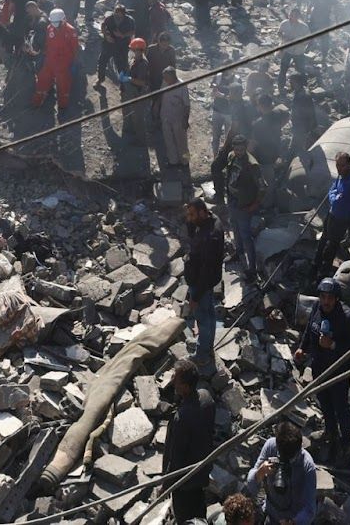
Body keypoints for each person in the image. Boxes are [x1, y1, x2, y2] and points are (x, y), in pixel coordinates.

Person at [294, 278, 350, 464]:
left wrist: (333, 345)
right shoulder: (316, 308)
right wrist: (302, 348)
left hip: (338, 370)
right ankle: (330, 431)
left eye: (330, 298)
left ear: (337, 298)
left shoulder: (347, 317)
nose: (326, 301)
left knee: (340, 407)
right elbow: (309, 330)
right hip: (319, 367)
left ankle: (346, 442)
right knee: (325, 402)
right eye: (323, 297)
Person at [161, 359, 216, 523]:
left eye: (175, 379)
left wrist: (166, 484)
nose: (172, 382)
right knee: (199, 509)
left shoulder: (182, 418)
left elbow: (176, 458)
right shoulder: (207, 398)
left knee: (185, 517)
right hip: (201, 473)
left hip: (184, 481)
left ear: (185, 386)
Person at [244, 421, 317, 525]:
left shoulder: (307, 466)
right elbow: (251, 486)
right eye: (282, 458)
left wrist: (294, 522)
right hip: (270, 511)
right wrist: (260, 472)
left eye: (289, 459)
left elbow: (309, 509)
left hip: (292, 518)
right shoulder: (271, 446)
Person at [184, 199, 224, 368]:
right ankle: (207, 346)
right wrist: (190, 222)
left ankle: (202, 355)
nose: (190, 218)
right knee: (209, 313)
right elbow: (193, 236)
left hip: (202, 281)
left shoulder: (211, 236)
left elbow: (206, 271)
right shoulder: (210, 219)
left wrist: (195, 297)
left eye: (192, 214)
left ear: (202, 212)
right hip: (205, 278)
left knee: (203, 318)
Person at [313, 153, 350, 278]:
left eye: (342, 165)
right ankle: (314, 266)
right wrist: (334, 195)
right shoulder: (340, 177)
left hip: (340, 220)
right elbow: (331, 192)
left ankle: (322, 274)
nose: (339, 168)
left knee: (331, 247)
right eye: (337, 165)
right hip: (332, 215)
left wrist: (334, 196)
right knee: (323, 240)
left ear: (349, 165)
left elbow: (338, 202)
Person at [224, 136, 263, 280]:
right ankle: (238, 253)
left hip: (244, 205)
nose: (238, 152)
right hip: (233, 200)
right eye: (236, 149)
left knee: (246, 235)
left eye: (241, 149)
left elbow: (262, 187)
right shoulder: (231, 156)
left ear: (245, 147)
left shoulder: (252, 165)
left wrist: (254, 204)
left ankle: (252, 268)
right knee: (235, 228)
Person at [33, 8, 78, 114]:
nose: (54, 25)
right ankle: (37, 101)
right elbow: (48, 43)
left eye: (56, 23)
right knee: (42, 80)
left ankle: (63, 105)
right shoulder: (50, 28)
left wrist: (74, 62)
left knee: (63, 84)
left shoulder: (71, 31)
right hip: (50, 60)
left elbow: (75, 48)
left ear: (63, 20)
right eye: (52, 22)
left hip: (63, 63)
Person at [156, 67, 191, 169]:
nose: (165, 80)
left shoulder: (182, 86)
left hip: (178, 119)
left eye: (167, 78)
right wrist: (156, 108)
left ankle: (185, 162)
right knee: (169, 140)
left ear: (173, 77)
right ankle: (173, 161)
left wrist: (185, 120)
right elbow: (160, 95)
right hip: (165, 117)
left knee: (182, 143)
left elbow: (187, 105)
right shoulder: (165, 82)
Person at [96, 4, 134, 86]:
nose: (117, 15)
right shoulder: (109, 18)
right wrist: (106, 36)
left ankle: (122, 85)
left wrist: (123, 35)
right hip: (109, 45)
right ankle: (100, 79)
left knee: (122, 66)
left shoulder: (129, 20)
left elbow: (132, 32)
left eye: (120, 13)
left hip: (122, 46)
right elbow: (103, 25)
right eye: (116, 13)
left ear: (124, 14)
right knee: (102, 62)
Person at [125, 37, 154, 143]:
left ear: (139, 50)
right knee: (133, 114)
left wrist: (129, 79)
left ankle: (141, 140)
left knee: (138, 117)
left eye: (133, 50)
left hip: (140, 93)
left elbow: (142, 82)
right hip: (134, 92)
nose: (132, 51)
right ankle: (134, 132)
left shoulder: (143, 64)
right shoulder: (135, 60)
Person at [278, 9, 310, 91]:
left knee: (300, 71)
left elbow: (308, 41)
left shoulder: (304, 27)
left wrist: (297, 41)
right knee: (283, 70)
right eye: (290, 15)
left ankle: (301, 88)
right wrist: (283, 37)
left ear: (298, 17)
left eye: (294, 16)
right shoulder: (284, 23)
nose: (291, 17)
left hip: (298, 52)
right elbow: (279, 32)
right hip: (287, 51)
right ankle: (281, 88)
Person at [289, 74, 318, 156]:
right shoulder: (299, 92)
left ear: (296, 82)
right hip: (300, 125)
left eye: (291, 81)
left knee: (299, 146)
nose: (290, 83)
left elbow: (309, 112)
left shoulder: (303, 95)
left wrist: (309, 127)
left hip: (302, 126)